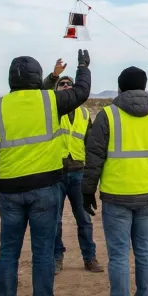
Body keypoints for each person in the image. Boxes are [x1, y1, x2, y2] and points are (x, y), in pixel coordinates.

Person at [0, 50, 91, 296]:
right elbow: (81, 91)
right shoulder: (51, 100)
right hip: (44, 188)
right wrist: (82, 66)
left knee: (8, 253)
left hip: (9, 190)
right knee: (42, 254)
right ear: (36, 77)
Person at [82, 66, 148, 296]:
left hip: (117, 197)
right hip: (147, 196)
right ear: (145, 86)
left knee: (119, 256)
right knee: (145, 252)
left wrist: (88, 190)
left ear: (120, 87)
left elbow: (94, 157)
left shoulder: (107, 115)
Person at [42, 61, 101, 274]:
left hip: (78, 172)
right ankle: (57, 258)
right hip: (55, 173)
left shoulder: (85, 115)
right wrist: (53, 76)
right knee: (54, 220)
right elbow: (41, 94)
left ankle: (89, 257)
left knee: (84, 218)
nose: (66, 86)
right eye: (62, 84)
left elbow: (91, 145)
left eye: (69, 84)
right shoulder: (50, 110)